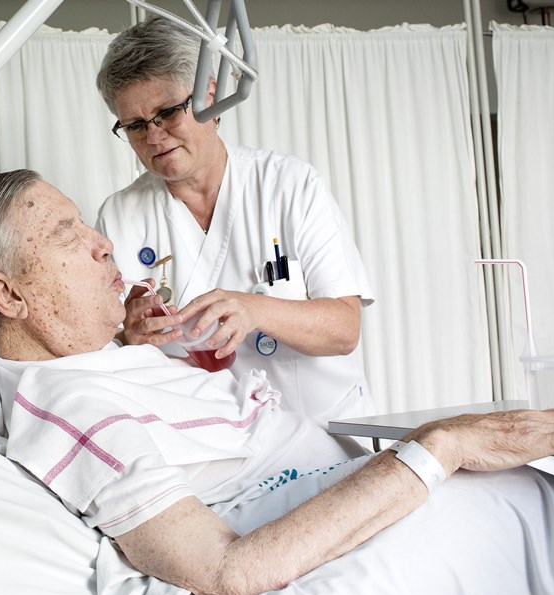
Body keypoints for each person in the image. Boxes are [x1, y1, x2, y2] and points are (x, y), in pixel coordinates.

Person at [0, 169, 554, 595]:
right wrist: (442, 447)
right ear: (9, 296)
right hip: (302, 541)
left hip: (337, 487)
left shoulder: (103, 359)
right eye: (68, 234)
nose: (102, 241)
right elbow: (226, 574)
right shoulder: (63, 402)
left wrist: (134, 338)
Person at [94, 17, 374, 425]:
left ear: (209, 94)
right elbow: (103, 345)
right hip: (214, 442)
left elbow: (345, 329)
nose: (154, 136)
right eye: (135, 125)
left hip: (324, 429)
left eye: (168, 112)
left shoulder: (290, 184)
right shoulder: (120, 215)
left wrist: (256, 309)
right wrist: (129, 338)